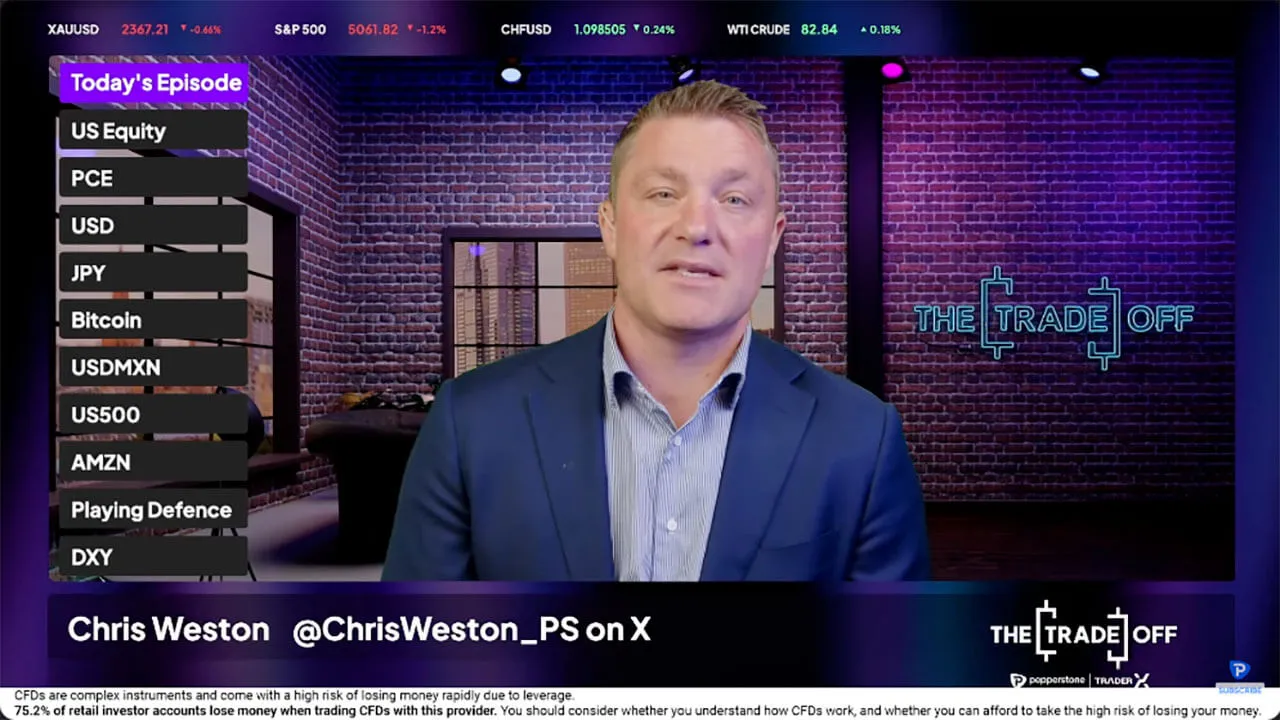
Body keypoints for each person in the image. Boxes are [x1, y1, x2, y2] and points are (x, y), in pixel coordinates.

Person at [382, 80, 929, 582]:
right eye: (664, 193)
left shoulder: (861, 438)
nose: (697, 227)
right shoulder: (471, 422)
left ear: (772, 239)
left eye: (734, 199)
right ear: (610, 226)